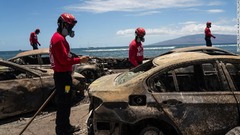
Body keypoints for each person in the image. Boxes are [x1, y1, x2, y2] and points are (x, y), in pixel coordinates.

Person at [49, 13, 89, 135]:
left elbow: (65, 56)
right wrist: (80, 60)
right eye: (69, 26)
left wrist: (74, 57)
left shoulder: (59, 38)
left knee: (65, 102)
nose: (71, 29)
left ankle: (65, 126)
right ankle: (62, 130)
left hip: (63, 77)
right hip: (62, 78)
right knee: (64, 104)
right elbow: (64, 60)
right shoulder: (59, 39)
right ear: (62, 24)